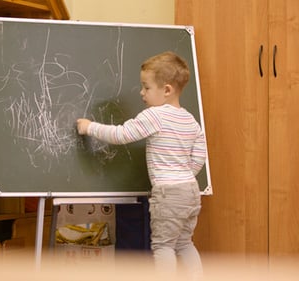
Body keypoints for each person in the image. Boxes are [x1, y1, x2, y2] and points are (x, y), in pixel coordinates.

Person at [76, 51, 206, 278]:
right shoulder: (190, 120)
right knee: (185, 243)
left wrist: (90, 127)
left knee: (163, 246)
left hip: (169, 192)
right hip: (190, 191)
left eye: (146, 87)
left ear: (166, 90)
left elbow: (122, 134)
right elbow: (198, 158)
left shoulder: (154, 116)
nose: (141, 92)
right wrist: (183, 175)